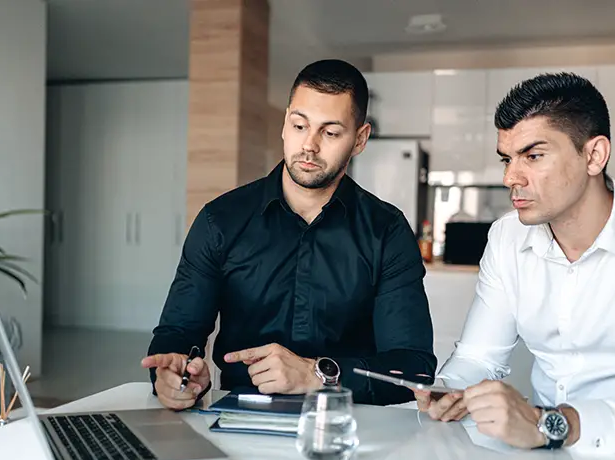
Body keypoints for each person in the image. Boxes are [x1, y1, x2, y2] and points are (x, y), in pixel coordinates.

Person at [416, 72, 615, 454]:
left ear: (594, 155)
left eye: (533, 155)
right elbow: (478, 356)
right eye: (507, 159)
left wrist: (556, 423)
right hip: (543, 455)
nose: (511, 176)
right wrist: (451, 389)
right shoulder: (508, 236)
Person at [142, 59, 436, 410]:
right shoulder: (220, 220)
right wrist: (178, 375)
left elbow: (413, 369)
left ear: (360, 140)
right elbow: (179, 331)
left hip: (348, 429)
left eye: (330, 132)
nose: (309, 145)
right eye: (299, 125)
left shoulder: (386, 231)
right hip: (238, 420)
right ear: (284, 124)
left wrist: (318, 375)